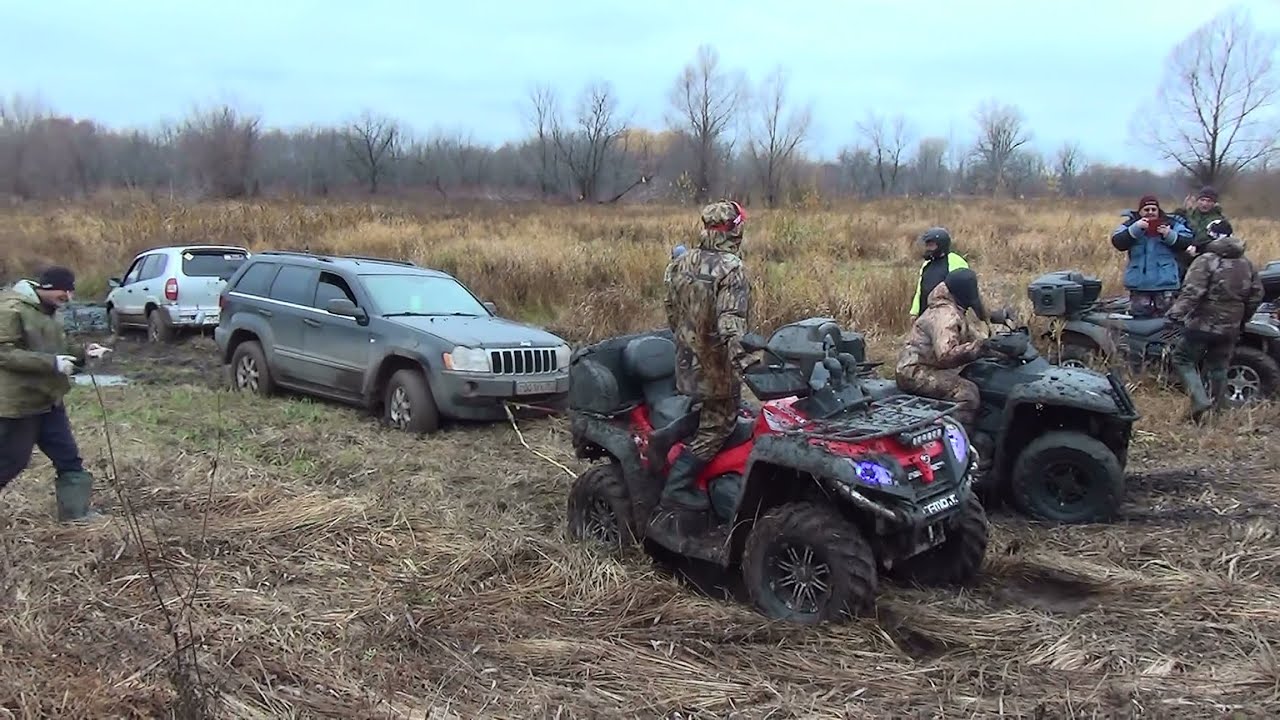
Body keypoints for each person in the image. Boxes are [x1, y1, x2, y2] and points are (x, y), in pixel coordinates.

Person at [648, 200, 753, 552]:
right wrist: (746, 362)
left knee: (708, 413)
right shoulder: (731, 268)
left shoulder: (682, 260)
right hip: (717, 365)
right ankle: (677, 488)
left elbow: (670, 309)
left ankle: (663, 439)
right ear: (735, 229)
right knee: (720, 424)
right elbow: (730, 324)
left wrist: (686, 342)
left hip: (687, 359)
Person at [0, 266, 113, 522]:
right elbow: (4, 354)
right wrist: (52, 364)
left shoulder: (50, 311)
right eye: (65, 291)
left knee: (68, 458)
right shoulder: (10, 309)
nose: (69, 298)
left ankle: (76, 515)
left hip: (49, 401)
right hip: (19, 403)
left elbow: (59, 346)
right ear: (48, 288)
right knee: (10, 462)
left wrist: (84, 352)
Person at [1165, 219, 1263, 421]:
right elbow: (1256, 295)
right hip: (1231, 326)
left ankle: (1199, 400)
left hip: (1203, 322)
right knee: (1219, 365)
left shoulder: (1206, 260)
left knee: (1182, 358)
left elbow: (1192, 292)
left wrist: (1175, 314)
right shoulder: (1246, 263)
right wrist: (1243, 318)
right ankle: (1217, 410)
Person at [896, 268, 990, 432]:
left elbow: (971, 335)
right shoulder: (944, 314)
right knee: (967, 392)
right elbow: (946, 354)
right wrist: (980, 348)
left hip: (930, 366)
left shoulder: (953, 308)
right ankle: (959, 441)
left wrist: (994, 344)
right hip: (915, 371)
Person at [1110, 195, 1193, 318]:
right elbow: (1117, 241)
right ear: (1140, 212)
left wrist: (1168, 234)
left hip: (1165, 284)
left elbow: (1187, 240)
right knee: (1139, 321)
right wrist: (1135, 229)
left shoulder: (1171, 223)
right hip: (1139, 285)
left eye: (1153, 209)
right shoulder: (1131, 224)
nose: (1150, 213)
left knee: (1168, 320)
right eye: (1146, 210)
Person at [910, 227, 969, 318]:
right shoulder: (927, 264)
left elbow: (965, 289)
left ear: (941, 245)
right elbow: (920, 290)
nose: (928, 248)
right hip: (925, 317)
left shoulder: (955, 262)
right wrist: (914, 312)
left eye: (931, 245)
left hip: (947, 317)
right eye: (927, 245)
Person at [1171, 186, 1228, 279]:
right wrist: (1181, 212)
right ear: (1197, 201)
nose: (1204, 204)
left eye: (1209, 201)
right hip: (1183, 255)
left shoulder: (1220, 221)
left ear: (1214, 203)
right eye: (1202, 200)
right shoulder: (1189, 214)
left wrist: (1196, 245)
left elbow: (1216, 240)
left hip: (1206, 258)